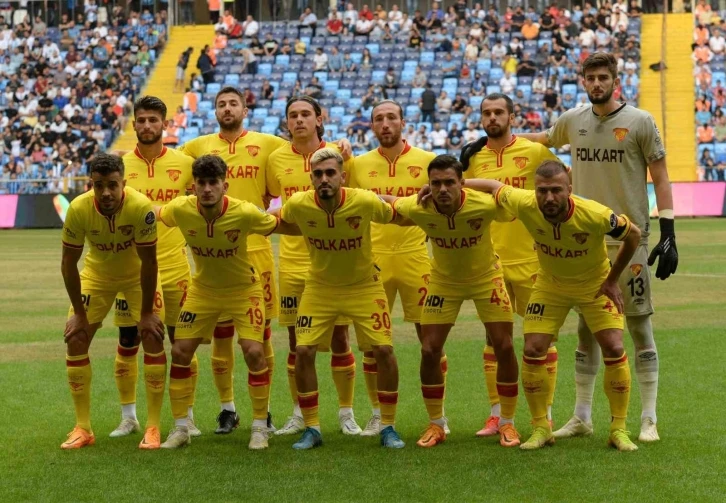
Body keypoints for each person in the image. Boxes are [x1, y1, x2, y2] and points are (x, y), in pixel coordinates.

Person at [521, 52, 676, 442]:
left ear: (615, 81)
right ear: (583, 81)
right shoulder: (573, 120)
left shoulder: (640, 121)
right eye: (590, 78)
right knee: (586, 330)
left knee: (638, 325)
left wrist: (669, 230)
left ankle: (649, 418)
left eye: (603, 77)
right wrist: (496, 141)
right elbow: (542, 140)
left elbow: (660, 175)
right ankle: (582, 416)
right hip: (585, 242)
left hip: (629, 240)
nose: (596, 83)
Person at [462, 161, 642, 451]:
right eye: (542, 191)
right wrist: (457, 184)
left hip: (594, 285)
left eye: (556, 190)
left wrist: (612, 280)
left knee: (614, 347)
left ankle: (618, 429)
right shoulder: (524, 202)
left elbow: (633, 235)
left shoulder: (595, 214)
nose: (548, 197)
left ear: (569, 189)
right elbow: (495, 187)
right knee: (533, 348)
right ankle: (541, 428)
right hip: (550, 286)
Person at [157, 155, 301, 450]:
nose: (207, 189)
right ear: (193, 187)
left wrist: (320, 224)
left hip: (243, 290)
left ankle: (259, 427)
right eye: (201, 183)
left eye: (213, 183)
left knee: (254, 352)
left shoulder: (244, 211)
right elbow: (154, 211)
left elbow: (281, 224)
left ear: (225, 186)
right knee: (180, 351)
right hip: (203, 291)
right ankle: (181, 427)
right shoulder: (181, 209)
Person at [274, 148, 406, 450]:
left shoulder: (364, 200)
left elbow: (395, 214)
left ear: (342, 177)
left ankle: (388, 425)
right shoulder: (298, 203)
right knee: (303, 350)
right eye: (318, 174)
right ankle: (312, 428)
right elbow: (278, 221)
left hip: (364, 286)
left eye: (330, 173)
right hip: (319, 288)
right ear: (311, 179)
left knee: (384, 350)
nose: (324, 179)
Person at [388, 155, 520, 448]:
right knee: (429, 349)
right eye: (436, 183)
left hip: (486, 278)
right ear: (428, 185)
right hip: (443, 282)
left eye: (450, 182)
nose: (443, 189)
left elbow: (509, 197)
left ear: (462, 183)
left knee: (504, 346)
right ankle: (437, 424)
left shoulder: (484, 204)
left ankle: (507, 422)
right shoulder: (419, 206)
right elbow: (387, 203)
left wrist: (474, 184)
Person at [178, 87, 287, 435]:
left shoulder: (269, 144)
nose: (227, 108)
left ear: (245, 109)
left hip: (255, 250)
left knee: (261, 336)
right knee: (221, 335)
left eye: (233, 103)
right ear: (215, 111)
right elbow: (166, 167)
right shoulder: (196, 147)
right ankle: (228, 409)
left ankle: (263, 412)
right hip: (215, 252)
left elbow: (303, 156)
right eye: (221, 104)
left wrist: (341, 148)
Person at [459, 93, 561, 436]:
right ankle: (499, 416)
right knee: (494, 339)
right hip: (491, 260)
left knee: (542, 340)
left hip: (533, 257)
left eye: (499, 112)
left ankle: (545, 413)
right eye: (486, 113)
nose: (492, 118)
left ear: (512, 117)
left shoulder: (534, 152)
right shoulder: (473, 158)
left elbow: (562, 183)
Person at [266, 97, 362, 436]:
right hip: (293, 263)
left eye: (306, 114)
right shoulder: (275, 158)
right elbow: (269, 200)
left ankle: (346, 413)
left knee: (340, 339)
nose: (299, 120)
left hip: (333, 262)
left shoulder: (340, 153)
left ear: (320, 119)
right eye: (293, 115)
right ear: (286, 122)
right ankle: (299, 413)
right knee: (297, 344)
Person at [60, 153, 164, 449]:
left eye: (112, 185)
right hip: (98, 275)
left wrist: (147, 313)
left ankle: (153, 427)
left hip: (136, 277)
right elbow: (68, 263)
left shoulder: (141, 207)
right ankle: (83, 428)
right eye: (99, 185)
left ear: (123, 183)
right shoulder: (79, 208)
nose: (105, 192)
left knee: (152, 335)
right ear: (91, 184)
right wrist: (79, 314)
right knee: (76, 338)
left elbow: (150, 262)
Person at [108, 97, 197, 444]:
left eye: (153, 120)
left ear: (165, 124)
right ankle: (128, 416)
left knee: (181, 342)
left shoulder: (185, 164)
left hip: (174, 266)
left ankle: (186, 416)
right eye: (141, 120)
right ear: (133, 124)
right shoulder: (119, 167)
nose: (147, 125)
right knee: (128, 340)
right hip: (131, 270)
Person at [349, 100, 437, 436]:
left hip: (416, 257)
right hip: (373, 260)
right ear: (372, 126)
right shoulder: (357, 165)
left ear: (403, 122)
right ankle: (378, 414)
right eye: (378, 119)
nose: (385, 124)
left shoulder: (426, 161)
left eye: (391, 118)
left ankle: (437, 417)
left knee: (430, 343)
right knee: (373, 345)